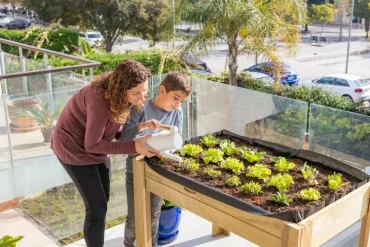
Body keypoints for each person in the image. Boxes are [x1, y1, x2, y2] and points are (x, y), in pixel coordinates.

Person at [51, 59, 159, 247]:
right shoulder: (99, 102)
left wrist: (139, 127)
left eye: (144, 91)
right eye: (136, 93)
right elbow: (92, 145)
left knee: (102, 202)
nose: (141, 98)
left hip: (96, 146)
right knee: (96, 209)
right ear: (120, 88)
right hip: (73, 149)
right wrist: (135, 147)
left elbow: (112, 132)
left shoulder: (119, 96)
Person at [121, 72, 192, 247]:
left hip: (159, 168)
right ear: (162, 90)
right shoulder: (140, 107)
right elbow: (125, 137)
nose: (177, 105)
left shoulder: (178, 112)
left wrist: (167, 150)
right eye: (176, 98)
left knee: (154, 213)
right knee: (135, 216)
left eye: (181, 101)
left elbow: (177, 140)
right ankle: (129, 244)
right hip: (136, 167)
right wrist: (143, 126)